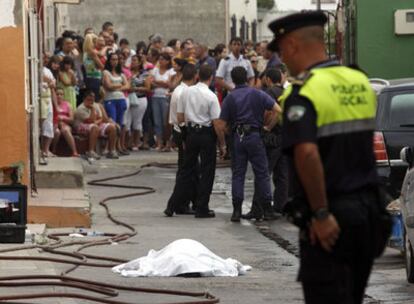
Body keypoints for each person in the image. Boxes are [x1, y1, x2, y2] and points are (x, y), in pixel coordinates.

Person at [268, 11, 383, 304]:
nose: (283, 59)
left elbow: (307, 153)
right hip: (368, 215)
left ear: (293, 45)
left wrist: (320, 213)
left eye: (282, 51)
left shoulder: (304, 92)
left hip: (330, 220)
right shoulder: (359, 81)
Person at [215, 67, 280, 222]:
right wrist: (268, 127)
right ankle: (267, 210)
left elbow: (221, 124)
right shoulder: (258, 94)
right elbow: (278, 109)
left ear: (232, 80)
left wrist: (225, 140)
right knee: (262, 173)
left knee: (238, 174)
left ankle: (236, 210)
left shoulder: (230, 98)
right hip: (255, 136)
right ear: (248, 78)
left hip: (238, 137)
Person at [172, 65, 223, 218]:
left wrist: (185, 134)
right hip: (206, 134)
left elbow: (180, 117)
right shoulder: (211, 96)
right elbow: (217, 123)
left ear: (198, 76)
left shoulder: (185, 92)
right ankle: (202, 207)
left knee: (186, 170)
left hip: (190, 133)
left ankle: (172, 204)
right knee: (207, 171)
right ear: (211, 78)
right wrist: (223, 143)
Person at [243, 68, 289, 220]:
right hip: (285, 137)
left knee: (263, 174)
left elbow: (273, 112)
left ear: (268, 79)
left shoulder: (269, 93)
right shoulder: (286, 92)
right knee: (282, 175)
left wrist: (267, 127)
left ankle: (258, 208)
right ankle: (279, 207)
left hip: (272, 138)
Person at [164, 64, 198, 216]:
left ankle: (189, 202)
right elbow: (181, 117)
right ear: (195, 76)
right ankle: (177, 204)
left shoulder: (178, 90)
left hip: (178, 130)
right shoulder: (184, 92)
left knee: (190, 169)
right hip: (183, 132)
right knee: (186, 171)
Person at [74, 90, 118, 160]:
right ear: (84, 99)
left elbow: (101, 118)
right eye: (89, 99)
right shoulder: (80, 108)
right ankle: (91, 151)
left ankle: (111, 151)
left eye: (92, 99)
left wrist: (96, 122)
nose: (91, 101)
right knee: (94, 127)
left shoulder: (96, 105)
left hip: (95, 124)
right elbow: (90, 121)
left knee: (112, 127)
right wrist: (92, 109)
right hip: (81, 125)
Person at [102, 52, 129, 150]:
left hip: (121, 99)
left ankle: (117, 146)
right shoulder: (106, 72)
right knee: (112, 122)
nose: (115, 61)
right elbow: (108, 86)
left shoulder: (121, 74)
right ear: (109, 61)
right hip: (110, 99)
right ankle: (110, 147)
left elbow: (128, 86)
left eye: (116, 59)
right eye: (113, 59)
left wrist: (116, 86)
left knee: (120, 123)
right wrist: (120, 86)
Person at [150, 52, 175, 151]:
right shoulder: (155, 70)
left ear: (168, 61)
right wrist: (161, 83)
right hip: (155, 97)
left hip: (165, 97)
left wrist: (157, 82)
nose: (160, 61)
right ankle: (159, 143)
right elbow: (150, 82)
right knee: (157, 121)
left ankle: (168, 143)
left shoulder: (171, 71)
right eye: (159, 59)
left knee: (166, 122)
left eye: (163, 59)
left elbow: (169, 84)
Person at [127, 55, 151, 150]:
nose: (133, 62)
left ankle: (136, 143)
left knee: (137, 121)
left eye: (135, 60)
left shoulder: (145, 73)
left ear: (140, 62)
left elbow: (148, 88)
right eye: (131, 60)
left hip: (140, 98)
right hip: (129, 98)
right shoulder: (127, 72)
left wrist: (135, 88)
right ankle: (128, 142)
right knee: (128, 121)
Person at [51, 87, 79, 157]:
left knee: (65, 130)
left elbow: (72, 119)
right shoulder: (52, 105)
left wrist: (63, 118)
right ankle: (53, 150)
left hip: (65, 124)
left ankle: (74, 151)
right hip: (54, 124)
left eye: (61, 94)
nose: (59, 96)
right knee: (57, 132)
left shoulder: (68, 104)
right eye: (57, 94)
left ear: (63, 96)